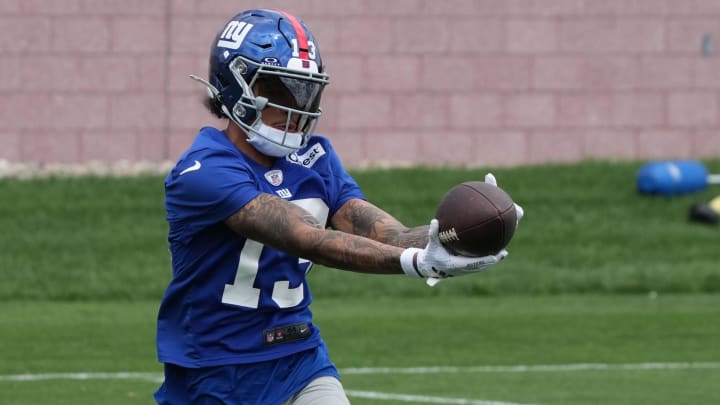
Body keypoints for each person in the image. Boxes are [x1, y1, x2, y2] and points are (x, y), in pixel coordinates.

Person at [154, 8, 522, 405]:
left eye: (304, 91)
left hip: (297, 359)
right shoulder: (204, 168)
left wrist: (449, 239)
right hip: (212, 371)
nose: (295, 108)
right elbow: (306, 239)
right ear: (234, 85)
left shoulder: (315, 157)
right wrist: (415, 264)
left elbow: (387, 234)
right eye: (279, 90)